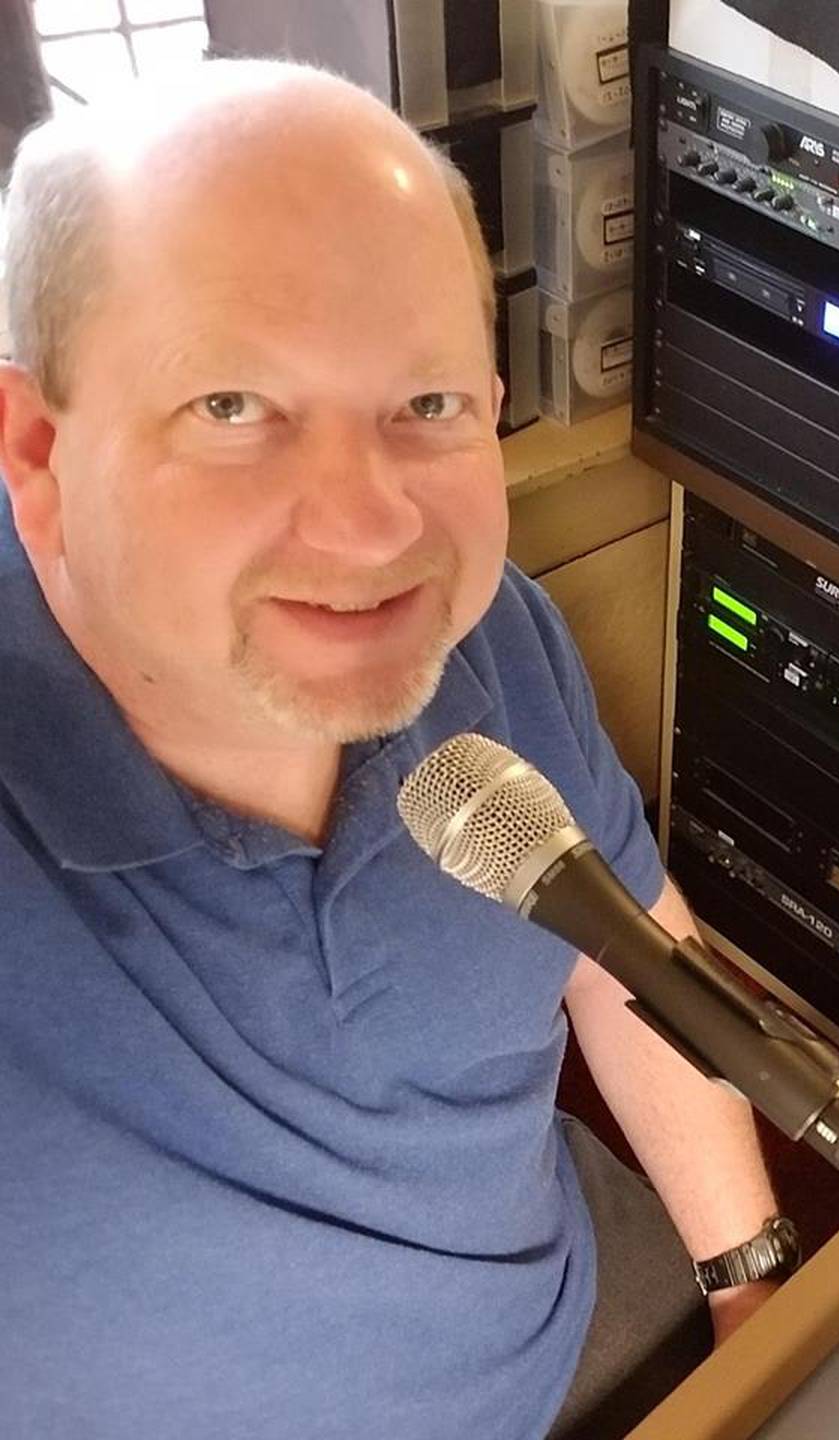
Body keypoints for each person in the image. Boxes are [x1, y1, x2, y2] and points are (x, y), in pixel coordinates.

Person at [0, 59, 791, 1440]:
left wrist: (756, 1288)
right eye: (233, 407)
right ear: (35, 447)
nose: (373, 538)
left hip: (583, 1332)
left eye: (426, 406)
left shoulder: (492, 641)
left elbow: (629, 961)